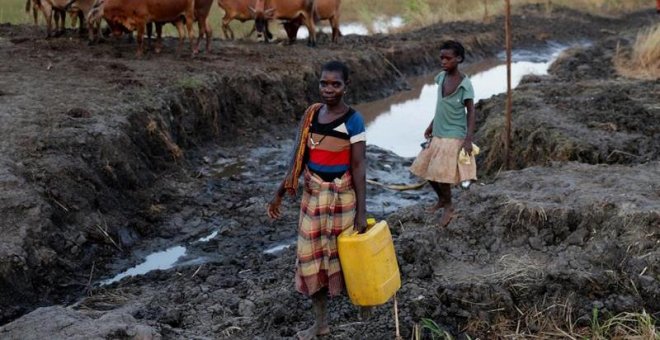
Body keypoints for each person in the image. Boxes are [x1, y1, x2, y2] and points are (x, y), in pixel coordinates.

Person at [267, 61, 367, 340]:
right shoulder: (312, 116)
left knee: (347, 260)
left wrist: (362, 212)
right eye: (324, 83)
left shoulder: (353, 120)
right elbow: (299, 160)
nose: (329, 89)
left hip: (342, 199)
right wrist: (278, 194)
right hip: (313, 198)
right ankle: (321, 323)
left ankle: (366, 305)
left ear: (346, 86)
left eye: (336, 84)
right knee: (311, 261)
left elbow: (358, 166)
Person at [410, 40, 477, 228]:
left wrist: (468, 139)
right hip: (438, 132)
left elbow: (471, 111)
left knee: (442, 174)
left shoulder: (465, 84)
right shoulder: (441, 78)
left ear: (459, 59)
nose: (444, 61)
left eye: (448, 58)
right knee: (427, 170)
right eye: (441, 58)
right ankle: (441, 199)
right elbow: (441, 106)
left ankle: (449, 206)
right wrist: (431, 125)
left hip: (454, 134)